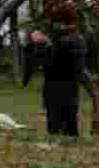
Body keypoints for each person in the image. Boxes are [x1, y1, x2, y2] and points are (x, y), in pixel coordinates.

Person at [33, 8, 87, 138]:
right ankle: (69, 142)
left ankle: (59, 143)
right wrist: (47, 42)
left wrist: (41, 44)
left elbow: (48, 62)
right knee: (69, 123)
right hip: (71, 88)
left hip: (57, 88)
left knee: (56, 125)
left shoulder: (65, 41)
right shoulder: (77, 38)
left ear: (60, 22)